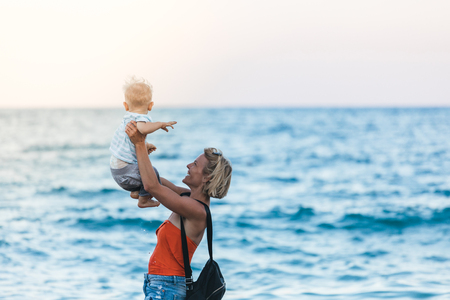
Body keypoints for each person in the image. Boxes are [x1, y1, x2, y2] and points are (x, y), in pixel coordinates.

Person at [125, 120, 232, 300]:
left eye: (195, 165)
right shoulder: (187, 197)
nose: (188, 165)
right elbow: (155, 180)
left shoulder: (196, 211)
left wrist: (140, 143)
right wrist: (141, 153)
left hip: (166, 288)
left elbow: (152, 187)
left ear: (207, 177)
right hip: (160, 286)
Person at [109, 77, 177, 208]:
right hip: (126, 171)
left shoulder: (128, 118)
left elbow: (128, 143)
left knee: (145, 173)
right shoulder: (141, 118)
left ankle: (137, 192)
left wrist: (145, 146)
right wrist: (160, 124)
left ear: (125, 106)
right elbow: (143, 128)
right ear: (151, 105)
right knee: (152, 173)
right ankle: (143, 200)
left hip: (116, 170)